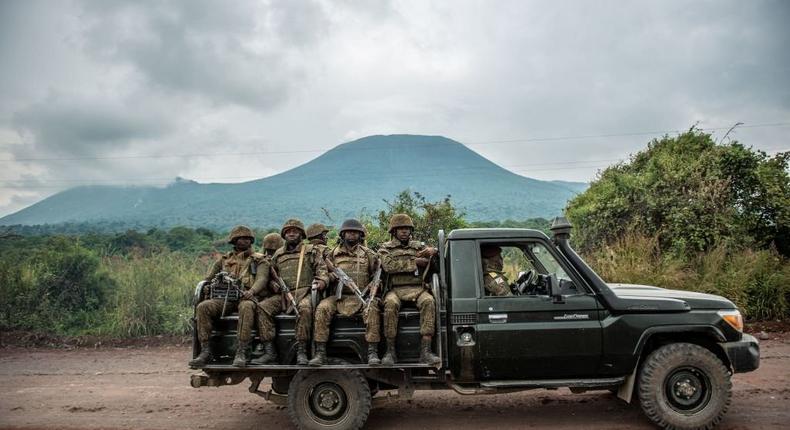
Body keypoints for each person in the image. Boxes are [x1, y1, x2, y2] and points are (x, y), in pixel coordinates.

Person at [189, 225, 267, 368]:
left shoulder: (259, 260)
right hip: (224, 299)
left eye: (247, 238)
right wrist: (208, 285)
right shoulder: (224, 260)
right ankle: (206, 351)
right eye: (240, 238)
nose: (244, 241)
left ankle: (242, 351)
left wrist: (253, 291)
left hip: (246, 298)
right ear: (234, 241)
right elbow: (209, 278)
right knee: (203, 307)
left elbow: (262, 279)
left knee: (247, 307)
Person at [309, 219, 382, 366]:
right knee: (322, 308)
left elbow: (377, 275)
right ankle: (320, 352)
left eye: (355, 232)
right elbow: (324, 272)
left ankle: (372, 352)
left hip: (362, 296)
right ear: (343, 234)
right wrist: (329, 278)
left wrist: (375, 285)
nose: (352, 235)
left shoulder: (368, 254)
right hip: (339, 297)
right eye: (349, 232)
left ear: (360, 235)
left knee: (372, 308)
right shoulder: (332, 254)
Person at [378, 214, 441, 365]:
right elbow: (389, 266)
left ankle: (426, 351)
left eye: (407, 228)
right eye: (400, 229)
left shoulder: (419, 246)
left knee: (429, 302)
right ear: (394, 231)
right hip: (396, 289)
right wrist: (416, 262)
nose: (404, 231)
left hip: (418, 288)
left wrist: (433, 252)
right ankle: (390, 352)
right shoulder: (385, 248)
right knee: (390, 305)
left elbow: (434, 265)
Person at [270, 218, 329, 365]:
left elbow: (322, 271)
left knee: (304, 308)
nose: (291, 234)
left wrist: (321, 282)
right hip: (283, 295)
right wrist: (272, 285)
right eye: (288, 231)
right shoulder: (278, 254)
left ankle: (301, 350)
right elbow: (270, 275)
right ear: (284, 235)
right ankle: (268, 349)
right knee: (263, 308)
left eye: (295, 231)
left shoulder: (311, 251)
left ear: (301, 234)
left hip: (305, 292)